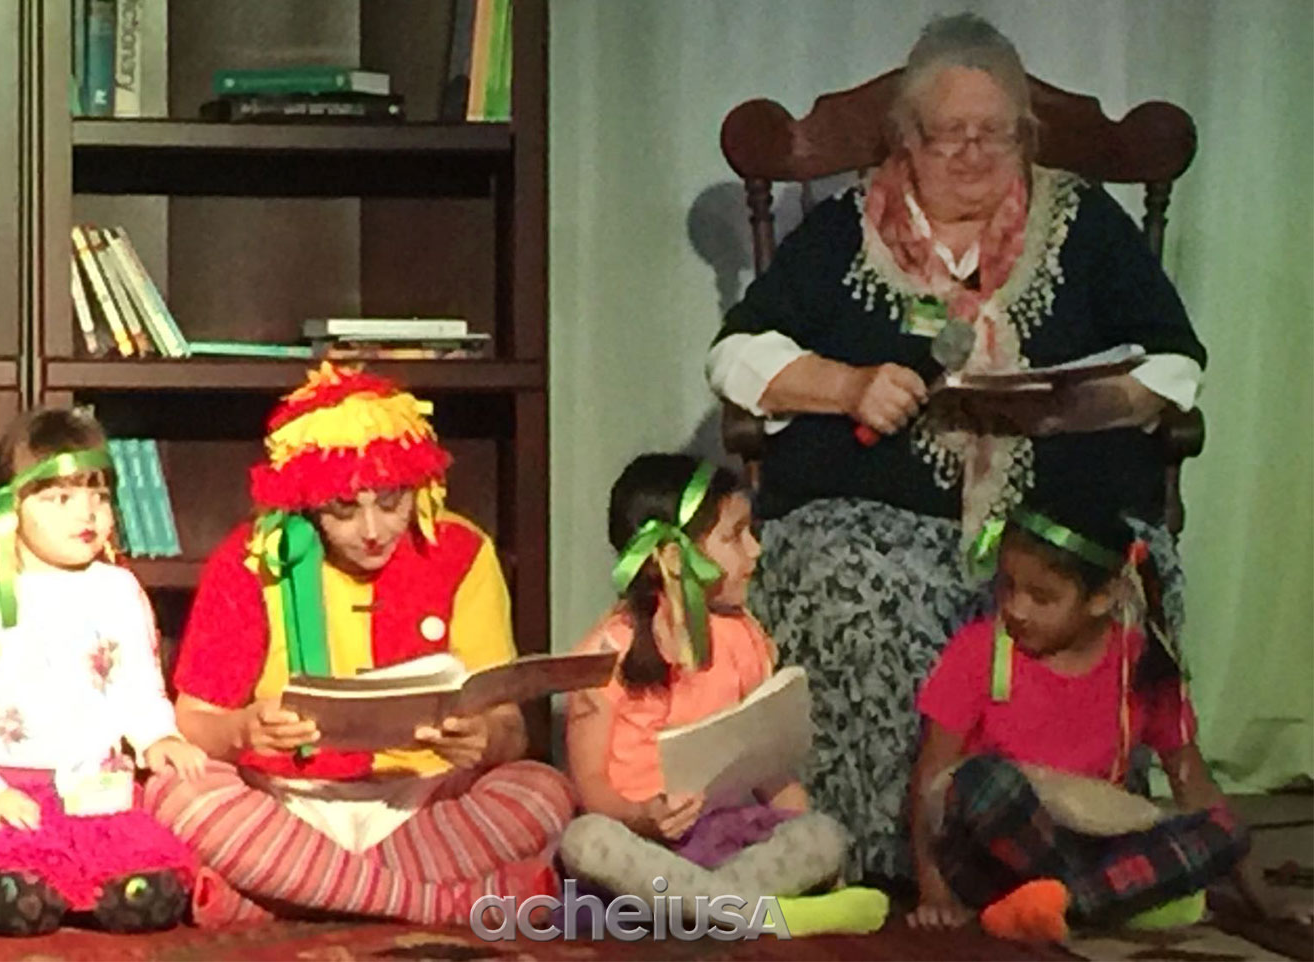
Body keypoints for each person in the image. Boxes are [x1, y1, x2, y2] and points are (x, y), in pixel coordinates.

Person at [705, 12, 1206, 879]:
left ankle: (1063, 846)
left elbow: (1174, 357)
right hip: (872, 522)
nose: (972, 154)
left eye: (994, 134)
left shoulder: (1083, 224)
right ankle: (883, 852)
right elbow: (735, 353)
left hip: (1051, 522)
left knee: (1091, 584)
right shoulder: (845, 232)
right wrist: (846, 384)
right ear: (907, 137)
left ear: (1024, 136)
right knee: (855, 593)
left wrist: (1101, 401)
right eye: (948, 135)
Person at [143, 362, 575, 926]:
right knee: (172, 791)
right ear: (305, 501)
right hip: (286, 800)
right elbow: (194, 721)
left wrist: (484, 738)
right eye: (343, 509)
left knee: (543, 790)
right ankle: (442, 905)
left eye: (391, 502)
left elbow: (511, 730)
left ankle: (283, 895)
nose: (371, 530)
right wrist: (243, 730)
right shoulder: (253, 558)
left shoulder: (462, 550)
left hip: (423, 801)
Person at [908, 498, 1277, 941]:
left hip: (1090, 849)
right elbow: (930, 778)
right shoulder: (978, 651)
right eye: (1008, 587)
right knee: (983, 782)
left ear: (1102, 598)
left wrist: (1267, 904)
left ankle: (1063, 902)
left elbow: (1193, 785)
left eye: (1042, 597)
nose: (1017, 609)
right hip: (995, 855)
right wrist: (934, 892)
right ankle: (1090, 901)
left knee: (1225, 829)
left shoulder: (1141, 664)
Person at [559, 454, 889, 936]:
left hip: (729, 840)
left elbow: (770, 768)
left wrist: (818, 850)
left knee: (822, 835)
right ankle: (758, 915)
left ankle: (706, 912)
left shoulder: (742, 637)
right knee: (585, 840)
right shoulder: (605, 652)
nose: (755, 550)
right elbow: (591, 785)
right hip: (645, 847)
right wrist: (644, 817)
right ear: (673, 558)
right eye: (735, 537)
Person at [0, 407, 204, 937]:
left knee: (152, 897)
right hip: (9, 798)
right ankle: (14, 888)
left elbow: (139, 687)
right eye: (59, 498)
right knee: (13, 896)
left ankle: (101, 890)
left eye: (99, 496)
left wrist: (158, 736)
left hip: (98, 796)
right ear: (7, 508)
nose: (87, 513)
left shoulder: (118, 590)